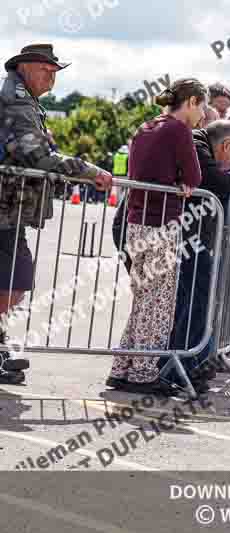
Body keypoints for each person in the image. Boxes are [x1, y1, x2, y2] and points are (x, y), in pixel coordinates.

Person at [0, 44, 113, 384]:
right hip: (5, 207)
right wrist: (89, 170)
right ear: (26, 68)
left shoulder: (23, 99)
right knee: (15, 280)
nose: (53, 78)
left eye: (55, 72)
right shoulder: (16, 101)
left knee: (12, 279)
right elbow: (37, 156)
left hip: (10, 208)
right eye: (47, 70)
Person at [106, 78, 206, 394]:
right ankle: (144, 372)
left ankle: (122, 367)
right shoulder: (178, 130)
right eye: (201, 106)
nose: (202, 114)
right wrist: (180, 181)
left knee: (142, 299)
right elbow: (194, 176)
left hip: (136, 221)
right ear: (191, 101)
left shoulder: (146, 126)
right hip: (163, 222)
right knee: (160, 301)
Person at [167, 119, 230, 392]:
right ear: (226, 146)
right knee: (193, 304)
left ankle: (190, 365)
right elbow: (220, 182)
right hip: (185, 237)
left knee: (199, 304)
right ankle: (179, 367)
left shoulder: (207, 147)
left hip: (196, 239)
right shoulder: (197, 143)